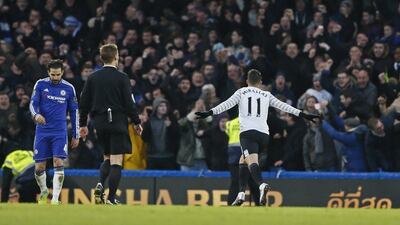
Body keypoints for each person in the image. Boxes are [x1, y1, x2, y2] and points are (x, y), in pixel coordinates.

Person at [195, 69, 319, 206]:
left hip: (248, 133)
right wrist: (304, 115)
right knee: (243, 160)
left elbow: (226, 104)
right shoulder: (266, 94)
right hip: (264, 135)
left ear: (247, 82)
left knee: (251, 161)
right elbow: (285, 106)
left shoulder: (241, 92)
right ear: (260, 82)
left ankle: (261, 184)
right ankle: (241, 194)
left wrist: (209, 113)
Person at [79, 44, 142, 205]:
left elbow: (84, 102)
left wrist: (83, 125)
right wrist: (136, 121)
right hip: (117, 122)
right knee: (116, 161)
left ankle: (100, 183)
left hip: (99, 123)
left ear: (101, 58)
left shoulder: (93, 77)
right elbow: (129, 103)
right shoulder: (122, 77)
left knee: (107, 157)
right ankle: (111, 198)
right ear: (116, 57)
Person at [29, 59, 79, 204]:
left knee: (58, 161)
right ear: (48, 72)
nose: (55, 78)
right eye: (53, 74)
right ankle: (44, 190)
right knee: (39, 167)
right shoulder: (40, 84)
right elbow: (33, 103)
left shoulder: (69, 88)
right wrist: (36, 115)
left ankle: (56, 199)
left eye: (58, 75)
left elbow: (74, 111)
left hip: (59, 132)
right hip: (42, 131)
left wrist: (75, 134)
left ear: (62, 73)